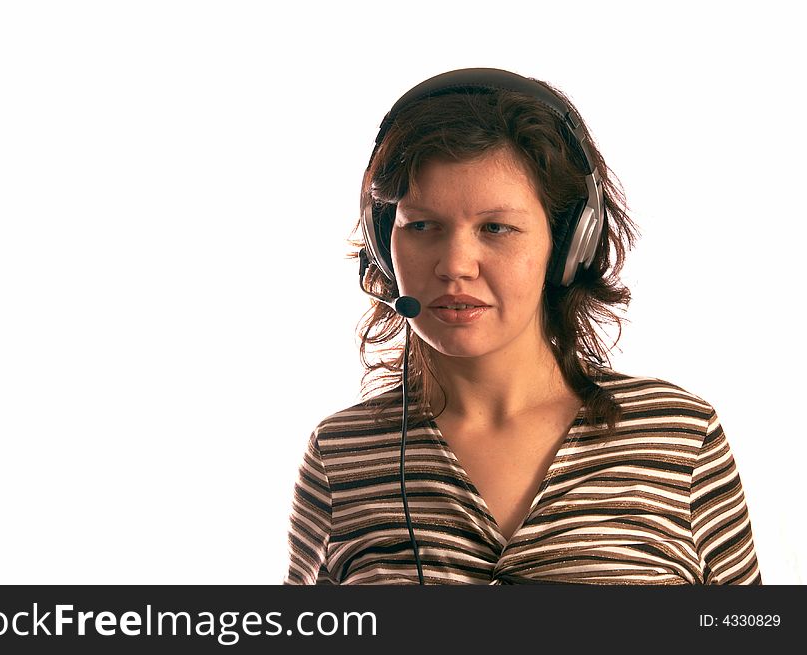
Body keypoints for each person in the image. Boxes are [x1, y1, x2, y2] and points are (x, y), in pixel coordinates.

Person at [284, 68, 760, 585]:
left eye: (496, 228)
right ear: (383, 243)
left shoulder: (680, 438)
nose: (456, 265)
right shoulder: (340, 457)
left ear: (567, 245)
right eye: (421, 226)